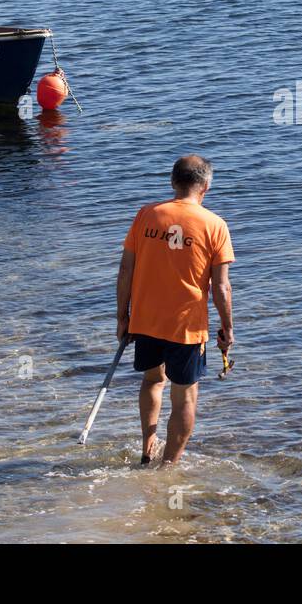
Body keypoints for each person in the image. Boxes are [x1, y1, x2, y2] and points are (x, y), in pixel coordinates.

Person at [116, 154, 234, 466]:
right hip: (186, 327)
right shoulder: (215, 226)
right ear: (205, 186)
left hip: (145, 320)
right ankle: (168, 465)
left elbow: (125, 270)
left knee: (153, 380)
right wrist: (228, 328)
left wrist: (122, 317)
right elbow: (221, 287)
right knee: (185, 395)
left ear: (173, 182)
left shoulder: (147, 215)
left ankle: (146, 448)